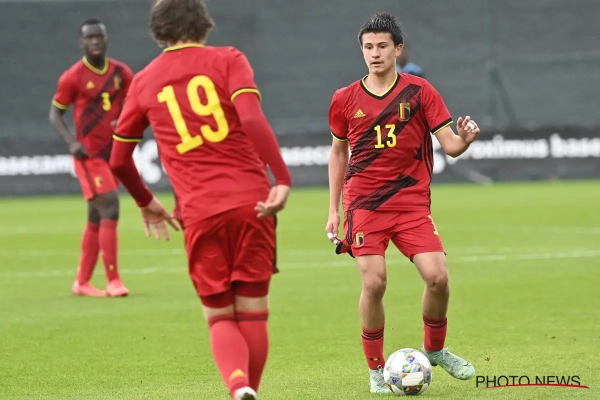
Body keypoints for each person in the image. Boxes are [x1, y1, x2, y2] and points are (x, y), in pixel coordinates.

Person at [108, 1, 291, 399]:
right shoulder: (229, 59)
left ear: (158, 30)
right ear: (203, 23)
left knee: (220, 316)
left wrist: (145, 201)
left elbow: (118, 160)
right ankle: (249, 390)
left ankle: (238, 386)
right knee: (254, 311)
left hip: (199, 210)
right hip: (251, 202)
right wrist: (282, 176)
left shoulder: (144, 80)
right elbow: (251, 118)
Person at [325, 13, 480, 394]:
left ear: (398, 49)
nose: (375, 53)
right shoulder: (344, 99)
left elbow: (451, 146)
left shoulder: (420, 92)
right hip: (365, 205)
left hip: (411, 204)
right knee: (374, 282)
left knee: (438, 278)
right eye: (368, 47)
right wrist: (333, 210)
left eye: (382, 46)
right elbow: (338, 153)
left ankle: (435, 350)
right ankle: (376, 369)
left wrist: (465, 139)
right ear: (362, 51)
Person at [49, 19, 133, 297]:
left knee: (96, 216)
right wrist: (71, 142)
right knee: (111, 207)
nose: (95, 41)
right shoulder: (73, 77)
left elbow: (135, 102)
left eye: (99, 36)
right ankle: (113, 280)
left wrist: (127, 123)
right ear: (81, 43)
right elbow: (55, 113)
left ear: (106, 40)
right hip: (89, 155)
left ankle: (82, 282)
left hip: (113, 153)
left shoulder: (121, 72)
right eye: (89, 37)